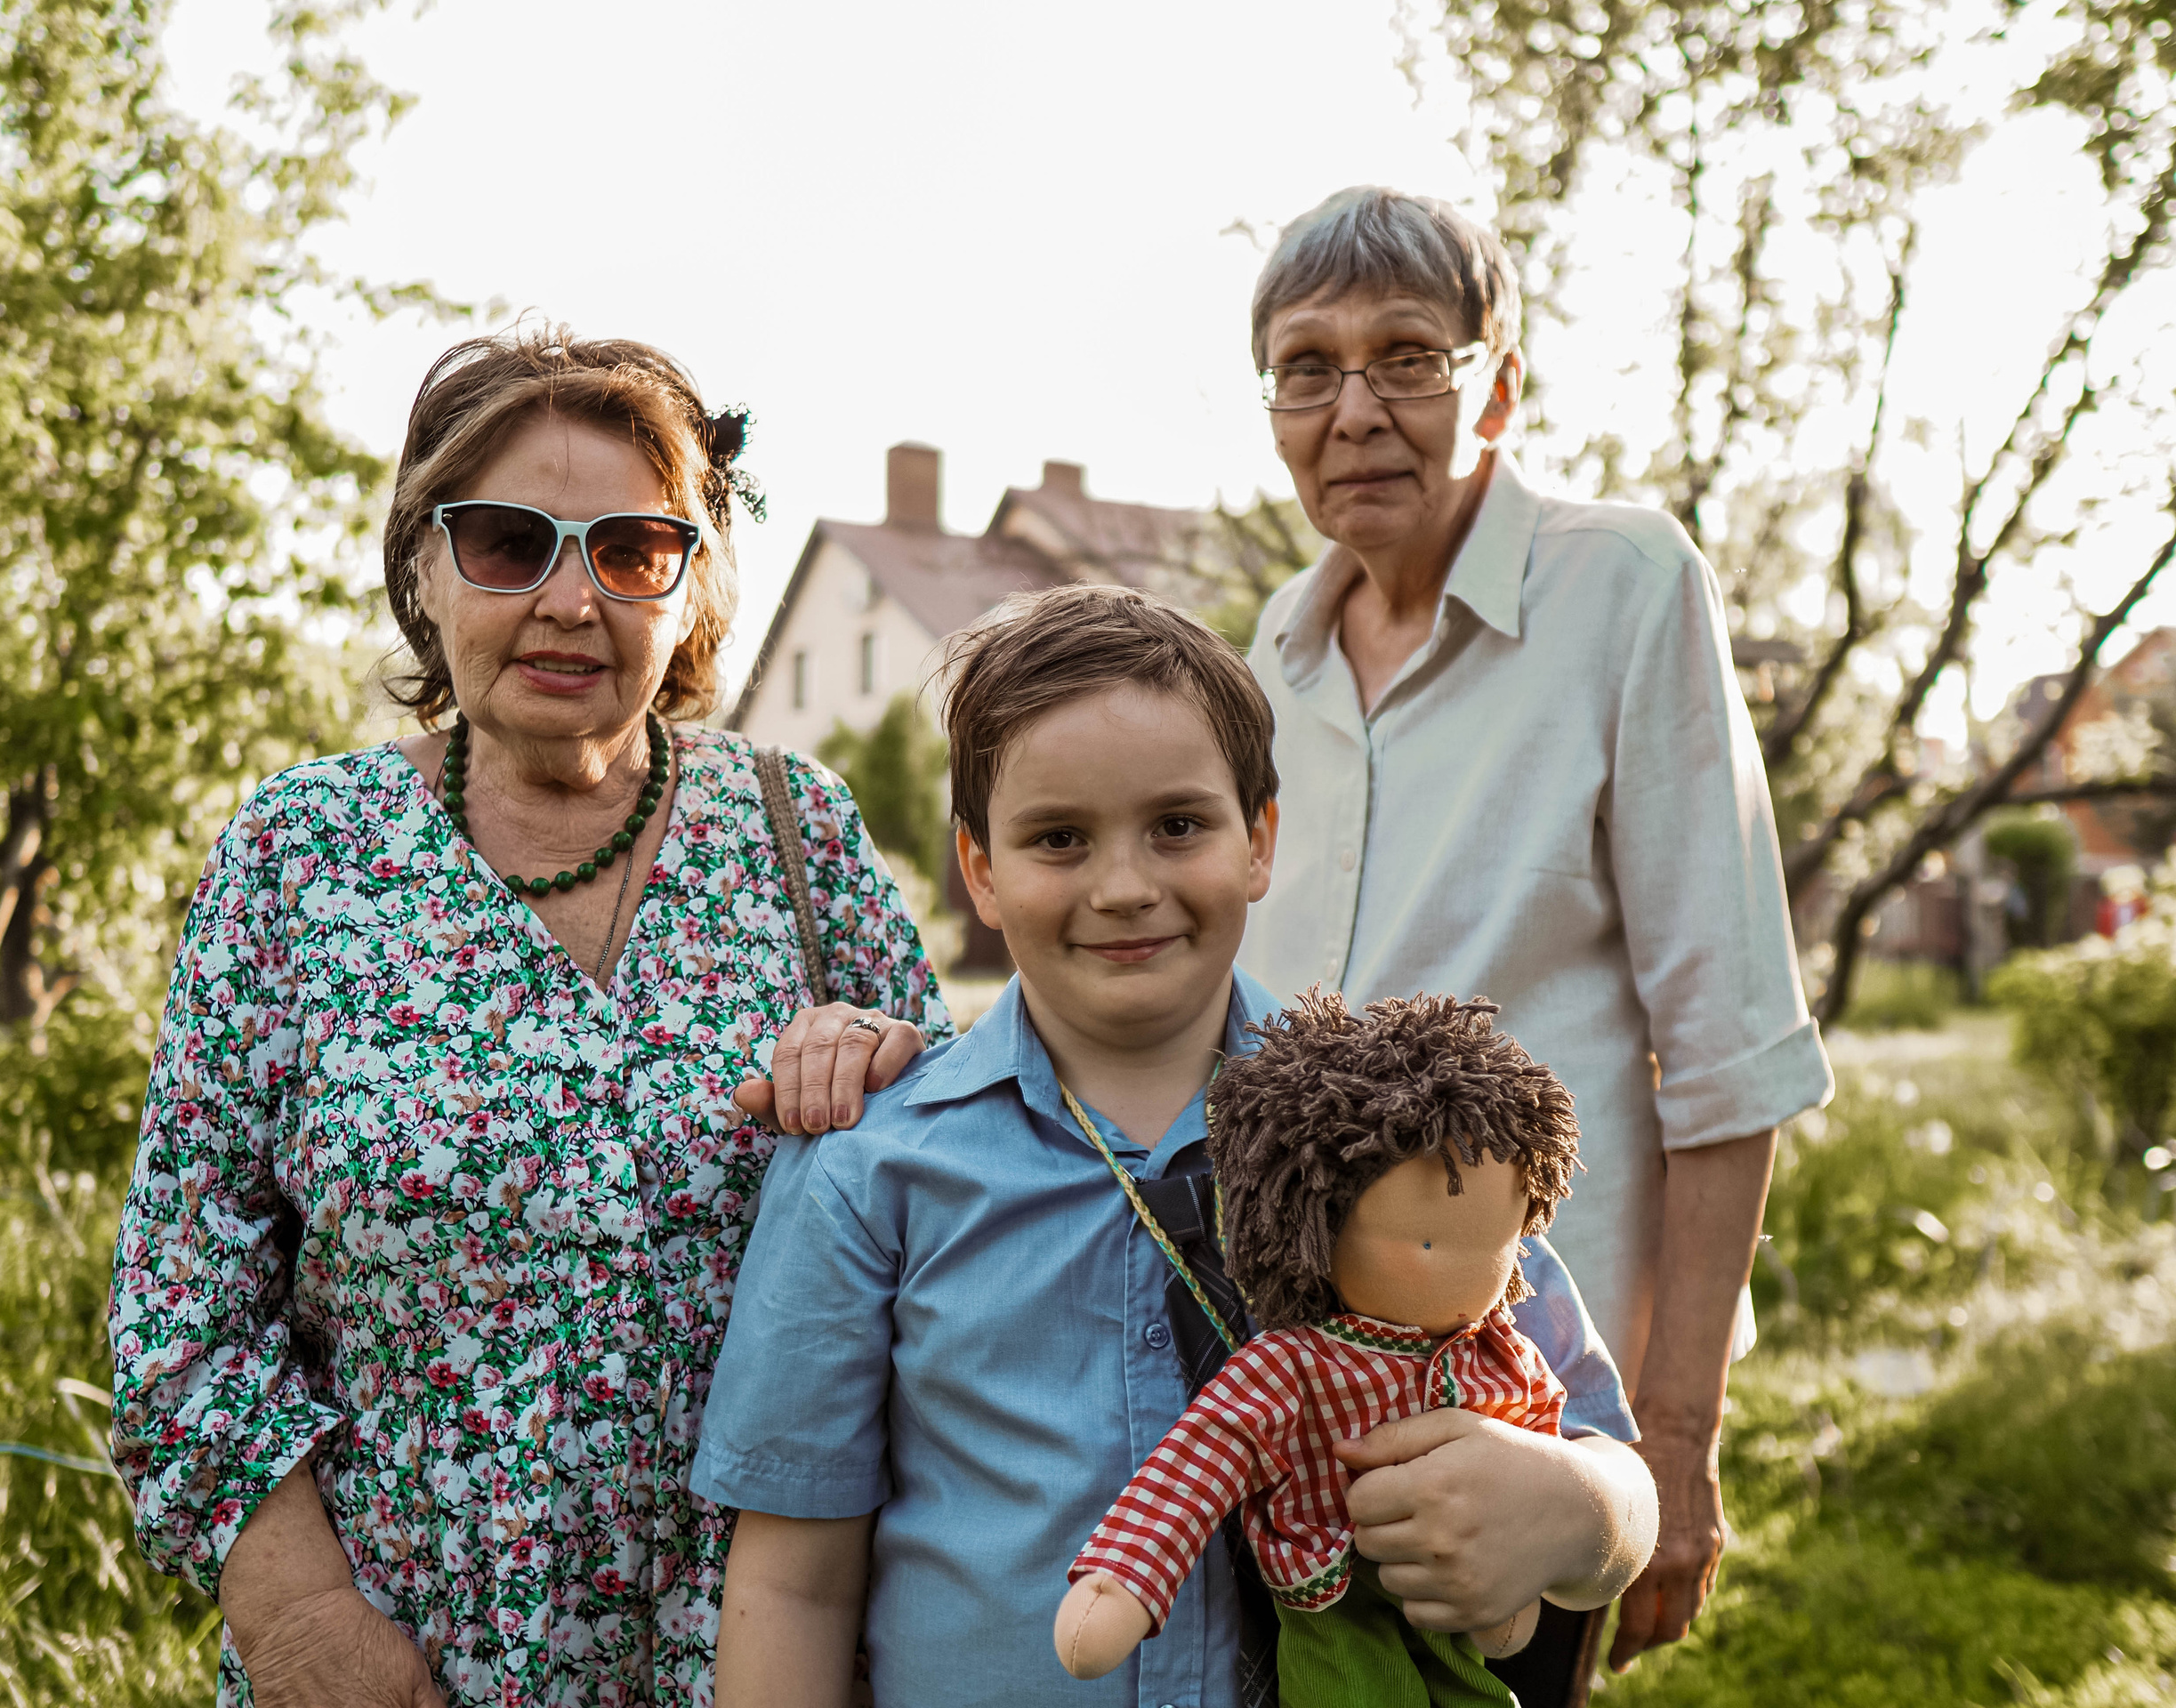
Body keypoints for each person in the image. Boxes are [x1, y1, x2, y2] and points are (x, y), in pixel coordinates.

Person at [108, 327, 952, 1708]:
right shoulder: (303, 854)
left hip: (764, 1657)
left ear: (688, 589)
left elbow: (953, 1213)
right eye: (510, 541)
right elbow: (181, 1307)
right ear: (425, 567)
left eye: (631, 551)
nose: (572, 598)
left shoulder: (799, 835)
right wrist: (305, 1620)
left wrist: (897, 1063)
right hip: (403, 1661)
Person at [694, 584, 1658, 1706]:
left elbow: (1613, 1481)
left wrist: (1573, 1510)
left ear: (1259, 839)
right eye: (1059, 838)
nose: (1124, 886)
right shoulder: (874, 1167)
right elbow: (795, 1585)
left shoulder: (1399, 1127)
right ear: (981, 870)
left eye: (1178, 826)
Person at [1234, 187, 1835, 1697]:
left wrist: (1674, 1449)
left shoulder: (1622, 585)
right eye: (1307, 368)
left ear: (1496, 385)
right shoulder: (1270, 655)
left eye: (1408, 357)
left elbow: (1729, 1056)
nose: (1354, 409)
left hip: (1532, 1412)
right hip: (1295, 1404)